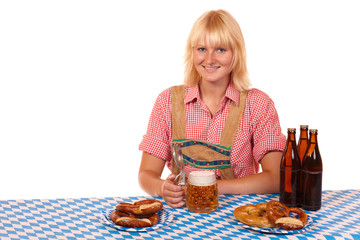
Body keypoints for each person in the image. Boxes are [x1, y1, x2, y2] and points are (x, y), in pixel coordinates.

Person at [138, 9, 286, 208]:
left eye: (221, 50)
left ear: (236, 53)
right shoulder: (168, 102)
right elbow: (146, 176)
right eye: (201, 49)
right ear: (192, 52)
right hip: (183, 213)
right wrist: (162, 187)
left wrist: (213, 187)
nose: (209, 60)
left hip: (239, 213)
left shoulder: (257, 104)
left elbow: (276, 178)